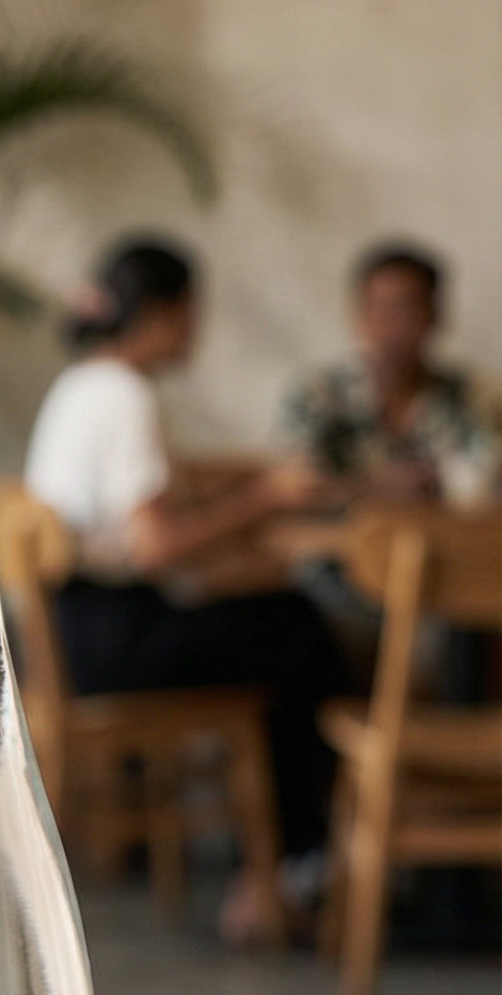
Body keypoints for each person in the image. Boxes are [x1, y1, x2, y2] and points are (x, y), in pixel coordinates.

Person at [24, 238, 351, 931]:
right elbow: (154, 546)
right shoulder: (126, 396)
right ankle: (293, 870)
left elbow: (154, 497)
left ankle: (283, 866)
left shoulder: (83, 385)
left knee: (278, 626)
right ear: (167, 313)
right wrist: (263, 501)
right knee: (298, 634)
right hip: (116, 643)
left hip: (70, 638)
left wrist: (252, 486)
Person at [281, 244, 499, 505]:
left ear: (434, 316)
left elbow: (486, 484)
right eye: (377, 308)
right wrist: (377, 486)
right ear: (358, 316)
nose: (389, 326)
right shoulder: (318, 394)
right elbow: (292, 487)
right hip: (337, 542)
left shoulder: (476, 396)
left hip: (453, 540)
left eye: (405, 309)